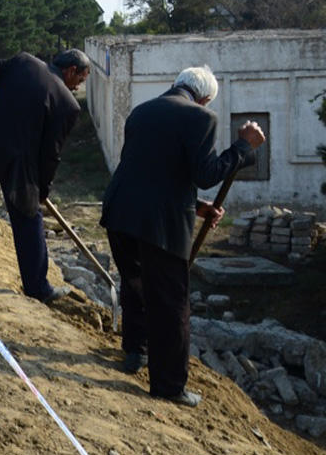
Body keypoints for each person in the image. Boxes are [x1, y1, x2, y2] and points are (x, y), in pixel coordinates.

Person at [100, 66, 264, 407]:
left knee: (134, 284)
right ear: (204, 98)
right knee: (172, 303)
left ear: (177, 85)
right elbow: (206, 175)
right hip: (159, 225)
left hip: (121, 211)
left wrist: (197, 206)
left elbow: (154, 170)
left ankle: (135, 353)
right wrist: (243, 148)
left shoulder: (142, 111)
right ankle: (169, 385)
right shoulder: (202, 118)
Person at [0, 49, 91, 303]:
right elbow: (51, 154)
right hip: (19, 162)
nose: (78, 86)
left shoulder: (24, 61)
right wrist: (43, 190)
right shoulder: (68, 104)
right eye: (80, 80)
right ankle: (38, 287)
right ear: (71, 71)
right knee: (28, 219)